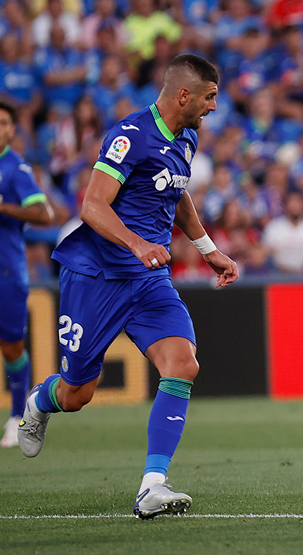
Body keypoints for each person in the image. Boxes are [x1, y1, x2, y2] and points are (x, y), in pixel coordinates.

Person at [17, 54, 239, 518]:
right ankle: (40, 401)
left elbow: (176, 194)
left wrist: (206, 248)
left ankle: (152, 485)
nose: (214, 107)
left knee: (183, 363)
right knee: (78, 393)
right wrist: (137, 243)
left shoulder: (187, 138)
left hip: (148, 280)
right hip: (97, 276)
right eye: (210, 97)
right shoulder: (130, 135)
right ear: (184, 95)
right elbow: (92, 206)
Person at [0, 100, 54, 448]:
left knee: (11, 346)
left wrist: (3, 206)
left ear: (11, 130)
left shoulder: (14, 168)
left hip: (6, 271)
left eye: (5, 123)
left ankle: (18, 416)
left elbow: (44, 213)